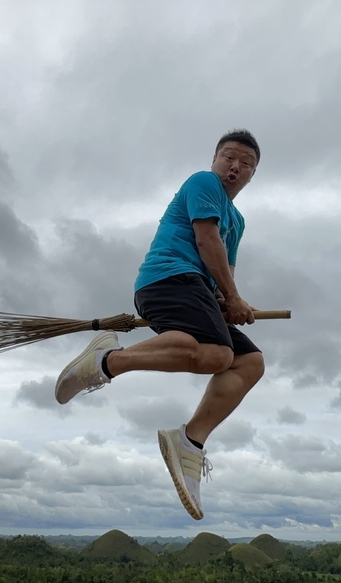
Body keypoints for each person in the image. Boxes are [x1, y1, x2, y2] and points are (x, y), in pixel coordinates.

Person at [54, 129, 265, 520]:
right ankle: (106, 361)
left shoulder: (238, 220)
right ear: (215, 160)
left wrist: (229, 302)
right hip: (167, 278)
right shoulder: (203, 183)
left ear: (253, 174)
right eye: (228, 158)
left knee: (248, 362)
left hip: (196, 290)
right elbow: (206, 241)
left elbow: (225, 269)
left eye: (246, 163)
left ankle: (189, 442)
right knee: (218, 353)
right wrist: (231, 298)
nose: (235, 167)